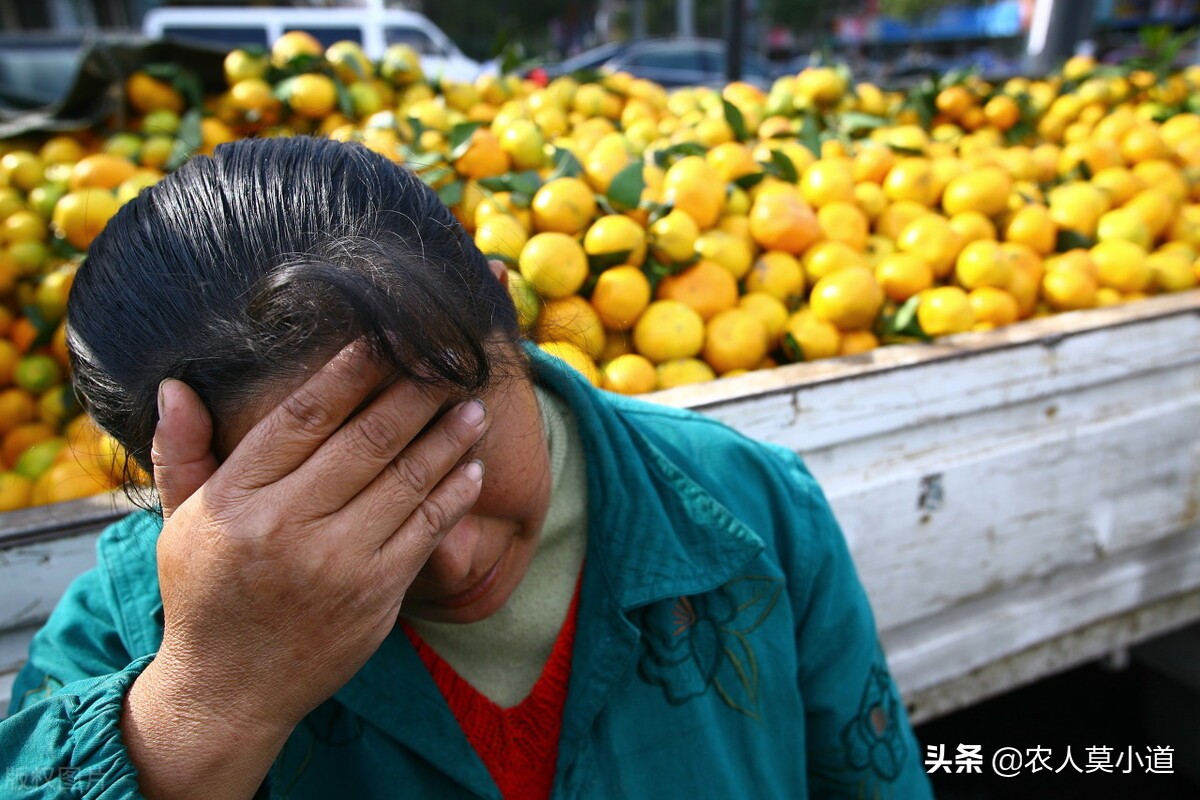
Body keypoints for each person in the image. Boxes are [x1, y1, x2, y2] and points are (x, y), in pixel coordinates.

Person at [1, 137, 933, 799]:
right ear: (179, 481)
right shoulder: (128, 633)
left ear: (500, 308)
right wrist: (209, 703)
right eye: (339, 508)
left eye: (455, 436)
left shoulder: (748, 506)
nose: (449, 562)